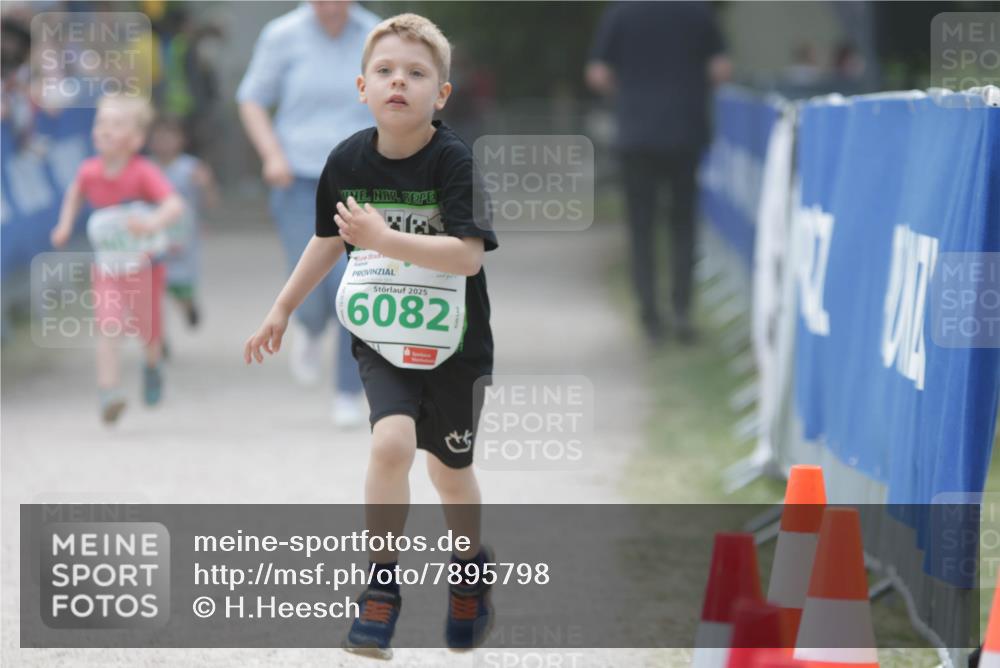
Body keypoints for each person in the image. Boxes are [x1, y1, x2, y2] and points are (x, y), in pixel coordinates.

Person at [244, 13, 498, 657]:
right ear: (362, 87)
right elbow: (328, 240)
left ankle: (469, 572)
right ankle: (380, 587)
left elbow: (469, 257)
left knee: (449, 473)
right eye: (385, 71)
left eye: (416, 74)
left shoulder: (455, 161)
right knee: (390, 444)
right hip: (383, 336)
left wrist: (385, 238)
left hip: (455, 344)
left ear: (440, 94)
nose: (398, 82)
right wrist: (281, 308)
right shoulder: (348, 159)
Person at [237, 0, 377, 427]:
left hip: (360, 178)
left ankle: (349, 390)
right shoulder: (282, 35)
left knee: (354, 284)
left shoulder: (376, 35)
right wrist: (271, 154)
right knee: (312, 291)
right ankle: (311, 329)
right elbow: (251, 100)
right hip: (298, 179)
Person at [586, 1, 731, 344]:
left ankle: (650, 317)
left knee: (641, 228)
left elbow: (598, 73)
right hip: (685, 131)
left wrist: (630, 92)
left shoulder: (622, 13)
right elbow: (721, 69)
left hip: (637, 134)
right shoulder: (698, 12)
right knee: (683, 225)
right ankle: (682, 310)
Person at [50, 94, 184, 423]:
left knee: (147, 329)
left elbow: (174, 205)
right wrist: (64, 225)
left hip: (145, 266)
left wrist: (151, 223)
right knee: (108, 325)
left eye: (117, 124)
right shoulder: (89, 171)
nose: (106, 130)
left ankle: (152, 365)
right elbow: (75, 194)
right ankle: (108, 391)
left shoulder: (143, 172)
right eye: (101, 123)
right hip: (109, 267)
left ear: (136, 139)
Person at [149, 115, 219, 329]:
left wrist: (206, 185)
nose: (164, 143)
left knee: (181, 285)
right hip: (153, 236)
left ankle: (188, 306)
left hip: (184, 239)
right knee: (154, 289)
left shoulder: (191, 168)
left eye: (169, 138)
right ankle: (157, 338)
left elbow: (210, 202)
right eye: (159, 138)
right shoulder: (146, 168)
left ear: (181, 140)